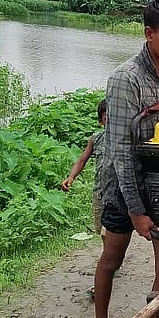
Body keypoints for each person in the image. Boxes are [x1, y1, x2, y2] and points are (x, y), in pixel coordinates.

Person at [93, 0, 159, 318]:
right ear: (148, 35)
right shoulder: (125, 79)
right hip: (122, 182)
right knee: (112, 257)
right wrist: (136, 210)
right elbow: (118, 151)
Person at [61, 99, 108, 296]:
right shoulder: (96, 139)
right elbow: (82, 159)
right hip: (99, 194)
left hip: (119, 196)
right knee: (102, 233)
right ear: (100, 121)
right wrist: (71, 177)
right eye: (107, 118)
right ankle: (111, 258)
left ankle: (107, 267)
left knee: (108, 234)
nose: (111, 121)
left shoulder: (126, 139)